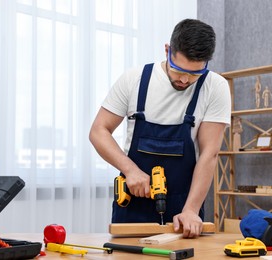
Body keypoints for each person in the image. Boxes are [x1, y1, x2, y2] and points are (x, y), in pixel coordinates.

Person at [89, 19, 231, 238]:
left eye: (195, 74)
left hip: (184, 207)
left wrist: (191, 210)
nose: (184, 80)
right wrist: (130, 170)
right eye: (179, 70)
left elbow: (209, 153)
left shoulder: (215, 86)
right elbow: (99, 131)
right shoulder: (134, 79)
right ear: (167, 50)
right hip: (132, 204)